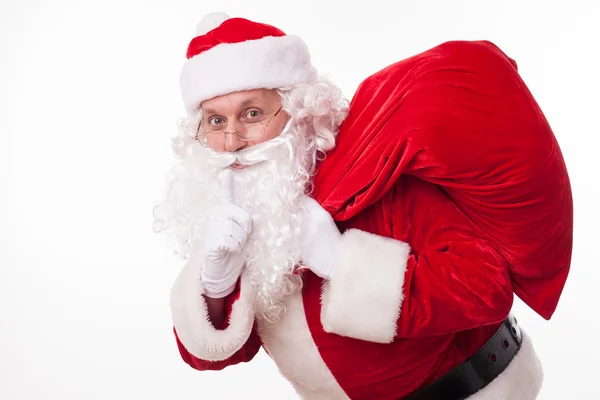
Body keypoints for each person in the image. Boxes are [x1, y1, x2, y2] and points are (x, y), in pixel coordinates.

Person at [153, 12, 573, 400]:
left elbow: (486, 287)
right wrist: (215, 288)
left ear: (298, 110)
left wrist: (340, 262)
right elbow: (213, 356)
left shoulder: (372, 176)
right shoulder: (240, 211)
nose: (232, 142)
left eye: (252, 113)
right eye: (215, 121)